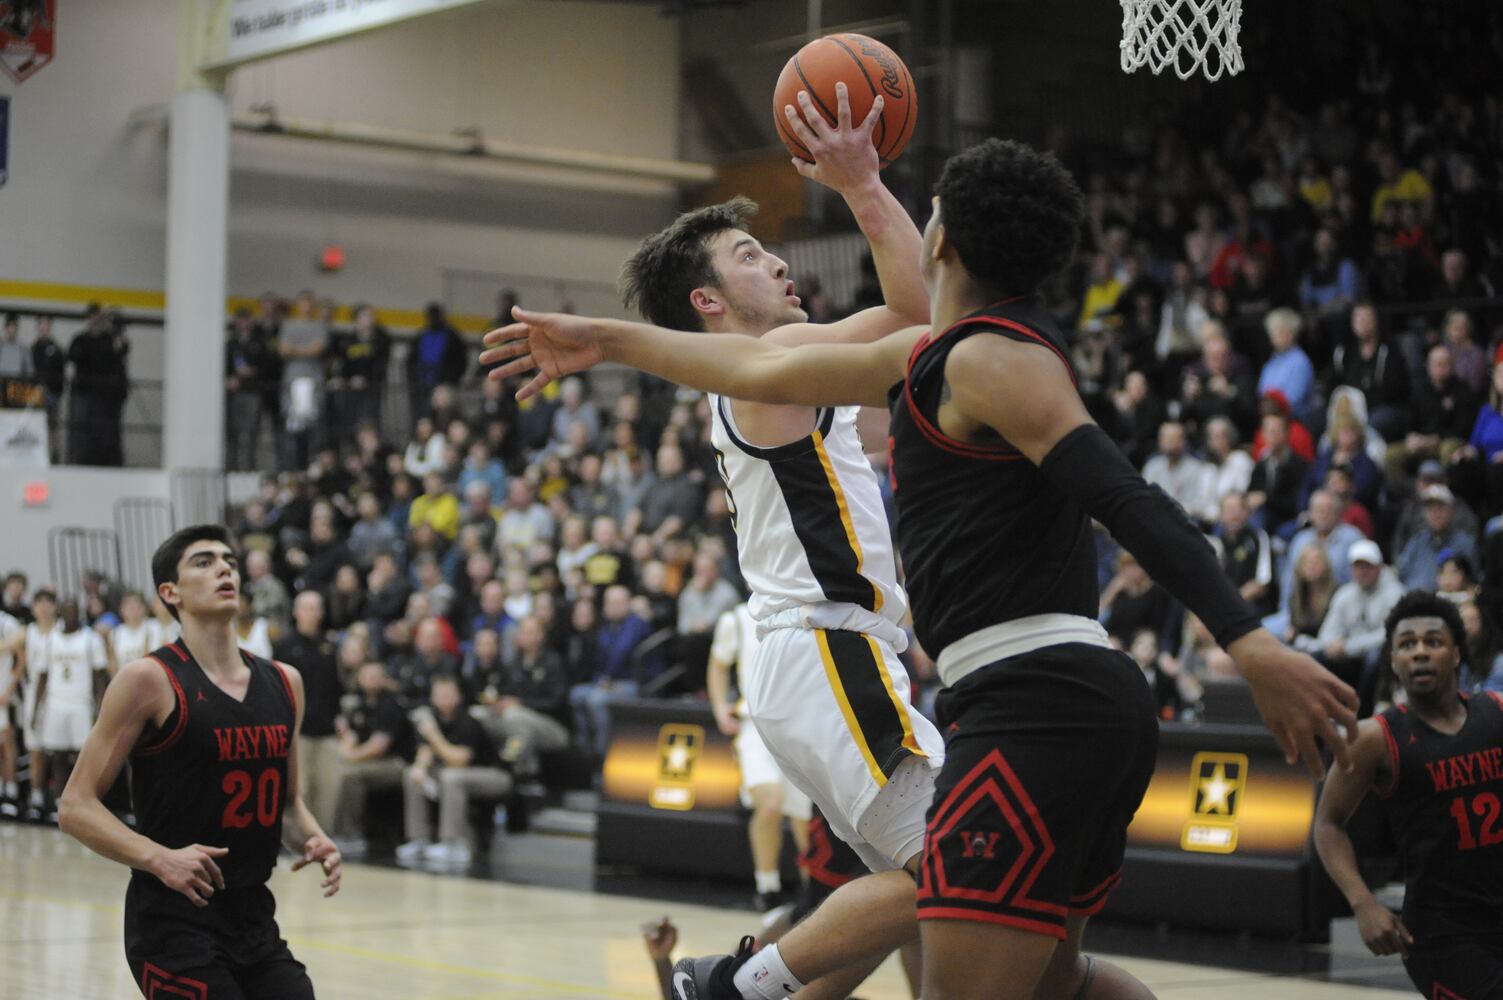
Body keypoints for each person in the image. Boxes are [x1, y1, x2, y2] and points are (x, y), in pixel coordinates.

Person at [483, 136, 1356, 1000]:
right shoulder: (773, 376)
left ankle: (745, 988)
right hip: (831, 644)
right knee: (942, 876)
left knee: (986, 939)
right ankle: (731, 986)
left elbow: (918, 323)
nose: (781, 263)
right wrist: (860, 195)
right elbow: (903, 322)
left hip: (873, 657)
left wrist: (863, 189)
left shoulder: (884, 361)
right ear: (707, 298)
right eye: (751, 255)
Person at [55, 524, 340, 998]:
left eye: (228, 559)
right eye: (203, 562)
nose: (224, 568)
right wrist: (159, 858)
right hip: (172, 924)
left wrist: (313, 839)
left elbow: (288, 806)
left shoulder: (285, 683)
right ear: (171, 592)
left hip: (253, 917)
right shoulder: (149, 679)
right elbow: (75, 806)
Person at [1313, 592, 1503, 999]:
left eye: (1432, 642)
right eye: (1406, 644)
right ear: (1393, 660)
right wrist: (1363, 903)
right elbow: (1328, 825)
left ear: (1456, 654)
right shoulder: (1375, 738)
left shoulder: (1497, 712)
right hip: (1442, 933)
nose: (1419, 653)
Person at [707, 602, 813, 911]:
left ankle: (813, 890)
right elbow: (717, 663)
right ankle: (767, 888)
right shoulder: (736, 618)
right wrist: (718, 706)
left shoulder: (804, 611)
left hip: (799, 727)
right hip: (754, 727)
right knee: (770, 802)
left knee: (804, 817)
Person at [397, 674, 509, 867]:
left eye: (448, 694)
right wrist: (419, 768)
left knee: (451, 777)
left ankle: (453, 843)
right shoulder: (433, 717)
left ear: (458, 696)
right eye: (439, 694)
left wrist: (434, 736)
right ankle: (419, 838)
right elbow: (425, 751)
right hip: (452, 774)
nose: (443, 699)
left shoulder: (467, 721)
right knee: (412, 774)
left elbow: (459, 760)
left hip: (493, 775)